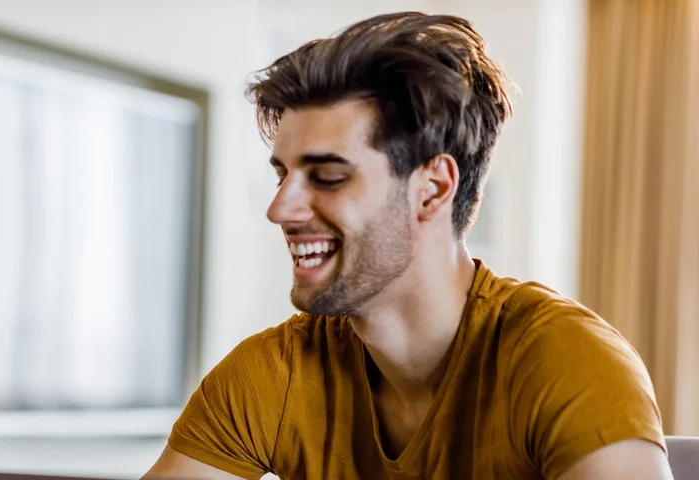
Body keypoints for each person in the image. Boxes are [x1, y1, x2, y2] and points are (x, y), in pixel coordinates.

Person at [146, 12, 671, 480]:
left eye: (327, 177)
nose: (280, 209)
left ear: (433, 188)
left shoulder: (566, 362)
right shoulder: (276, 373)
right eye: (283, 175)